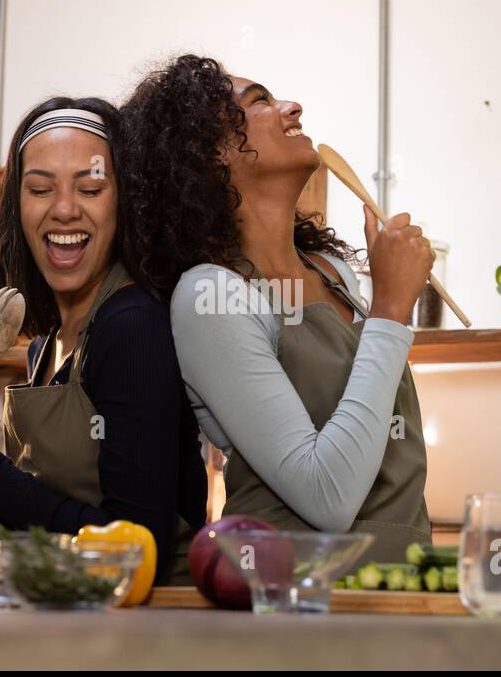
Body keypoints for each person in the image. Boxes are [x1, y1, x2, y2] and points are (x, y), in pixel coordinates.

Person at [119, 55, 434, 561]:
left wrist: (385, 309)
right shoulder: (211, 297)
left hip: (404, 585)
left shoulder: (335, 272)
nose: (293, 107)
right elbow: (327, 495)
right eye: (260, 101)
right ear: (207, 153)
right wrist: (392, 310)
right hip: (294, 597)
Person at [0, 96, 207, 581]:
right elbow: (59, 522)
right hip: (72, 610)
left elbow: (133, 546)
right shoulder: (46, 347)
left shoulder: (133, 326)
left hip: (150, 630)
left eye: (89, 188)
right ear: (17, 207)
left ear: (123, 202)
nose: (64, 210)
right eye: (41, 189)